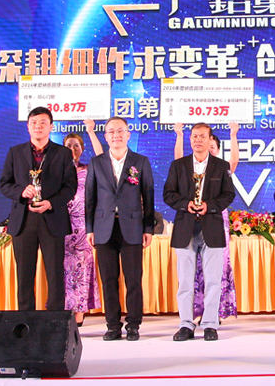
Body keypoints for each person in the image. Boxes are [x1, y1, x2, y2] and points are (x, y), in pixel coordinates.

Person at [0, 106, 78, 311]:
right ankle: (26, 318)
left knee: (55, 273)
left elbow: (70, 187)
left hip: (52, 218)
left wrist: (51, 202)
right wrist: (20, 191)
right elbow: (4, 184)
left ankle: (55, 319)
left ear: (51, 127)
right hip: (24, 220)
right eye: (34, 123)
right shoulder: (15, 152)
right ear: (28, 126)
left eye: (43, 123)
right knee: (24, 274)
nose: (38, 126)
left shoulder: (62, 153)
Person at [84, 116, 156, 340]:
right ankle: (113, 325)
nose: (116, 135)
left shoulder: (140, 161)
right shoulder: (96, 162)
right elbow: (90, 198)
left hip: (132, 227)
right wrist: (89, 228)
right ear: (105, 136)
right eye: (111, 132)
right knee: (108, 280)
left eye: (120, 131)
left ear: (128, 134)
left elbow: (148, 196)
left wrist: (148, 228)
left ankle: (133, 324)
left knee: (133, 280)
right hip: (103, 227)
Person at [165, 122, 236, 340]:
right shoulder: (178, 165)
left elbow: (228, 194)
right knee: (185, 281)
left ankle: (210, 324)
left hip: (211, 227)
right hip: (185, 227)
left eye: (202, 136)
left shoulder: (221, 166)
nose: (198, 140)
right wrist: (185, 204)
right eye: (194, 136)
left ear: (209, 139)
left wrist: (210, 206)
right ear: (190, 139)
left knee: (213, 280)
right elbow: (168, 194)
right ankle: (186, 324)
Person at [62, 128, 99, 324]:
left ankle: (79, 313)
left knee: (82, 269)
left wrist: (91, 132)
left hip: (83, 227)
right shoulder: (57, 170)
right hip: (62, 226)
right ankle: (63, 310)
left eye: (76, 145)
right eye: (69, 145)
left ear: (82, 149)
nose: (73, 149)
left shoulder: (89, 169)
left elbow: (102, 158)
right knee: (62, 270)